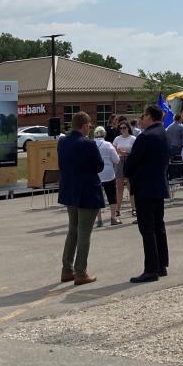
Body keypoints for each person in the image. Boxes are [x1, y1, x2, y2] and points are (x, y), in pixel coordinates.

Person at [56, 112, 103, 284]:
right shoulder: (88, 144)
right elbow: (99, 166)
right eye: (89, 125)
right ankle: (80, 272)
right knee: (84, 233)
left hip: (70, 191)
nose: (90, 128)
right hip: (87, 192)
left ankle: (66, 269)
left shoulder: (62, 142)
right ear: (84, 126)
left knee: (72, 231)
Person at [125, 105, 170, 283]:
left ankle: (151, 269)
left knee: (147, 229)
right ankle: (161, 265)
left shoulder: (145, 137)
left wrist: (129, 168)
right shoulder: (163, 133)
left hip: (145, 188)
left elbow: (130, 164)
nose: (141, 119)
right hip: (158, 186)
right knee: (159, 226)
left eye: (143, 116)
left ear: (150, 117)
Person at [93, 126, 122, 227]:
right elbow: (116, 160)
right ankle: (113, 217)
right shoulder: (108, 144)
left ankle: (99, 220)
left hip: (95, 173)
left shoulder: (91, 144)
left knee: (97, 197)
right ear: (104, 134)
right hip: (108, 173)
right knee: (111, 196)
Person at [113, 117, 137, 217]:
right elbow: (113, 151)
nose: (122, 130)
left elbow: (136, 152)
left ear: (128, 128)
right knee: (119, 187)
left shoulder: (133, 138)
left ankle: (134, 208)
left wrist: (126, 152)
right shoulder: (117, 139)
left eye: (124, 128)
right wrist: (118, 153)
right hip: (120, 161)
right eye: (121, 128)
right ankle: (117, 209)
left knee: (130, 186)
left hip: (129, 161)